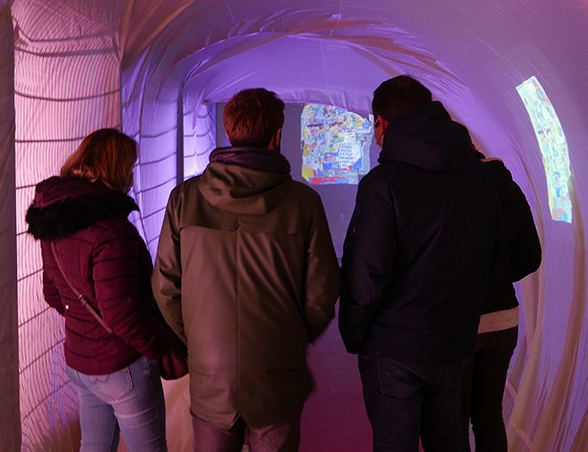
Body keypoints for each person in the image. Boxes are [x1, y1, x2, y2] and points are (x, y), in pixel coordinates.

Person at [152, 88, 340, 452]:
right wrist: (288, 338)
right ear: (277, 136)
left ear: (229, 132)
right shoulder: (304, 204)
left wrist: (200, 339)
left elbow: (165, 288)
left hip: (210, 375)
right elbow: (321, 293)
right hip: (277, 373)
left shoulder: (185, 199)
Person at [339, 75, 502, 451]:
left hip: (394, 348)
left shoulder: (383, 184)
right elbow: (492, 257)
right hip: (455, 343)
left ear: (382, 123)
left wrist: (354, 334)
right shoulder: (479, 177)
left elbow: (366, 274)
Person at [25, 128, 171, 452]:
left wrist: (85, 322)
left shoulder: (54, 219)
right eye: (129, 167)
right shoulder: (112, 231)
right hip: (121, 366)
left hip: (80, 362)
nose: (132, 176)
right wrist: (162, 347)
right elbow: (122, 314)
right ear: (115, 169)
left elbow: (53, 293)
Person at [461, 147, 542, 452]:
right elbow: (531, 257)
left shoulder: (456, 192)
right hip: (505, 318)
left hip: (464, 321)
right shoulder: (512, 190)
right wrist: (499, 278)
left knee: (454, 419)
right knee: (489, 416)